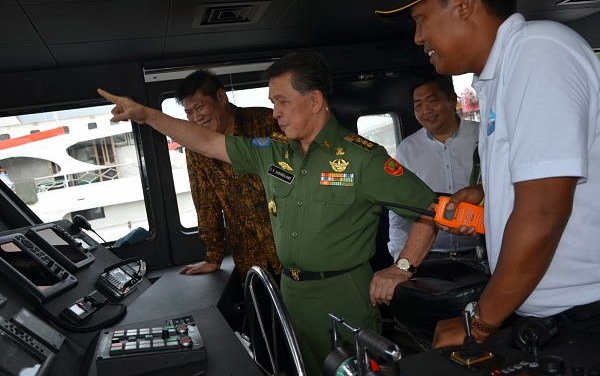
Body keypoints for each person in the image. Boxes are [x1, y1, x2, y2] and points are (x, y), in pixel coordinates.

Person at [99, 50, 438, 376]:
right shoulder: (272, 153)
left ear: (316, 101)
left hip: (343, 294)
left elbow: (429, 209)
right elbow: (204, 142)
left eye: (282, 101)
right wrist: (146, 115)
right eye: (273, 102)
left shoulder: (363, 159)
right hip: (290, 293)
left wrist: (401, 267)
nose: (275, 112)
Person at [376, 0, 600, 348]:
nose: (418, 37)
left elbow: (544, 210)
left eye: (421, 19)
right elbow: (542, 179)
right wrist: (484, 194)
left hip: (582, 314)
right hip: (547, 312)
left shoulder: (536, 52)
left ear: (463, 3)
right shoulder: (497, 77)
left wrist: (477, 323)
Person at [174, 70, 281, 283]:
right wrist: (213, 256)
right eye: (189, 113)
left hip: (292, 250)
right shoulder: (196, 147)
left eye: (199, 107)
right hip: (250, 260)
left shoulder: (266, 123)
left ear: (221, 97)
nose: (196, 118)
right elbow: (206, 202)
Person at [388, 73, 481, 262]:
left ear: (452, 99)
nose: (426, 110)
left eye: (432, 101)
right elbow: (399, 213)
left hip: (481, 253)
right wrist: (402, 263)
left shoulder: (481, 135)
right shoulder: (408, 149)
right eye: (419, 105)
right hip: (430, 257)